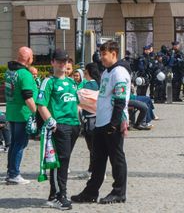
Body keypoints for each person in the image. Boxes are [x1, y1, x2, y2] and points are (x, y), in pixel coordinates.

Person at [72, 40, 130, 205]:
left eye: (104, 54)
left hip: (112, 122)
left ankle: (119, 192)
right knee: (97, 160)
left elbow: (120, 100)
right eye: (101, 53)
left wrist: (114, 123)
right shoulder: (106, 72)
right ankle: (91, 192)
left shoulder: (119, 72)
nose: (101, 57)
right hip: (101, 121)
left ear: (114, 54)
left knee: (116, 159)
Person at [37, 49, 81, 210]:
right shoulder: (49, 82)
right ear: (53, 62)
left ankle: (54, 194)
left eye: (65, 61)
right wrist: (51, 122)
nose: (63, 64)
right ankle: (59, 195)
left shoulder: (72, 83)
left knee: (64, 160)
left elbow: (77, 103)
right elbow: (41, 104)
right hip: (60, 126)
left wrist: (79, 120)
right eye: (60, 61)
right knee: (61, 161)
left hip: (74, 125)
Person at [4, 46, 37, 185]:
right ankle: (14, 174)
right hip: (23, 114)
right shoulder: (24, 74)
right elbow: (28, 96)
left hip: (11, 112)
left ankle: (10, 171)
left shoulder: (9, 72)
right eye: (32, 56)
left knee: (13, 143)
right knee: (20, 144)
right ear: (28, 59)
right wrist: (35, 112)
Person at [80, 62, 101, 179]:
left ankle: (94, 170)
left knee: (92, 147)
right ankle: (93, 169)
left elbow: (80, 100)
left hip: (89, 118)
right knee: (97, 147)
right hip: (99, 118)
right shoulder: (100, 84)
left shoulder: (88, 85)